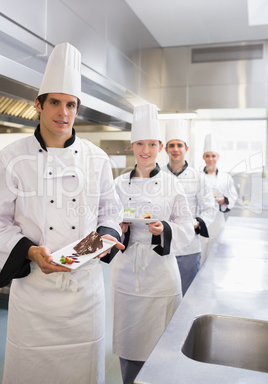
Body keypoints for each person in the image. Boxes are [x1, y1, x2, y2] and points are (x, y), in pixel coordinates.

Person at [0, 42, 124, 384]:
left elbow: (109, 210)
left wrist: (109, 236)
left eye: (71, 104)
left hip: (83, 294)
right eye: (55, 102)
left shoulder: (97, 158)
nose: (63, 112)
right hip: (34, 299)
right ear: (38, 104)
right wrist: (30, 250)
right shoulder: (11, 158)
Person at [110, 104, 194, 384]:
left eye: (151, 144)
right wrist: (117, 229)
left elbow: (186, 226)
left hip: (160, 274)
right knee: (129, 344)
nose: (145, 150)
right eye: (139, 144)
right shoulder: (119, 185)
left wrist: (164, 229)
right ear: (132, 146)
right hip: (126, 274)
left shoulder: (172, 184)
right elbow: (104, 224)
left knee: (164, 347)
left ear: (160, 147)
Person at [162, 119, 215, 295]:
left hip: (189, 247)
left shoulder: (199, 177)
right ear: (166, 149)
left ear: (186, 149)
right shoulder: (158, 175)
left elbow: (209, 208)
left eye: (179, 145)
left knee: (188, 295)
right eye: (171, 145)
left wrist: (196, 223)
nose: (175, 149)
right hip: (162, 245)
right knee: (165, 295)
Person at [201, 133, 238, 263]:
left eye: (213, 156)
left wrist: (224, 200)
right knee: (199, 255)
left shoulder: (225, 177)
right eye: (207, 156)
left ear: (218, 157)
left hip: (217, 221)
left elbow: (233, 195)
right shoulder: (198, 176)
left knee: (215, 257)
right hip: (201, 219)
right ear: (203, 157)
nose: (210, 159)